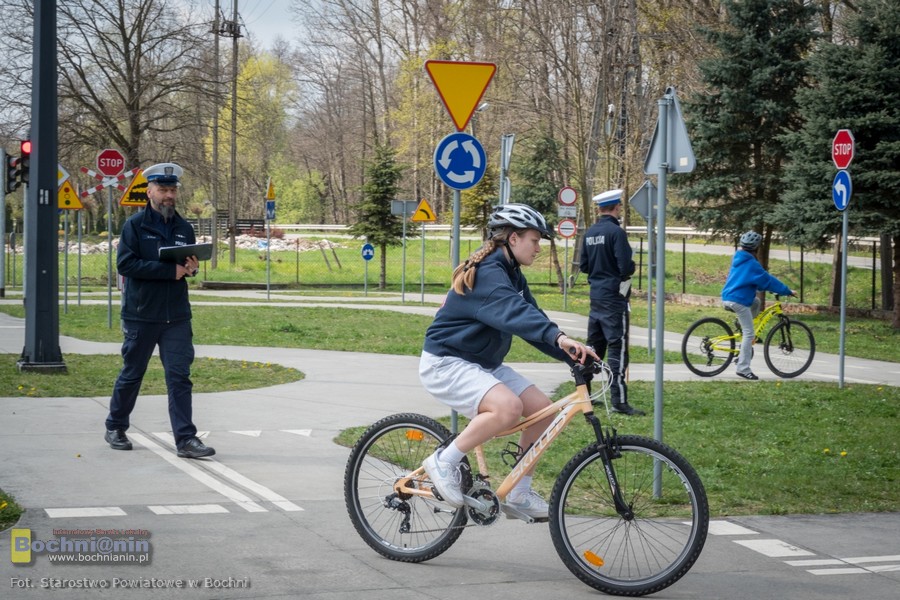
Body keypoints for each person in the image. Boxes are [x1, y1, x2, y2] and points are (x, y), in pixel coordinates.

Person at [419, 203, 597, 519]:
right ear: (513, 238)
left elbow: (531, 320)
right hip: (446, 362)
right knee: (508, 408)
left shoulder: (511, 274)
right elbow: (515, 314)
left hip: (481, 363)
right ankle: (444, 461)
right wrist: (559, 338)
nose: (538, 248)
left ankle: (519, 492)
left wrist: (569, 354)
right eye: (534, 240)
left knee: (544, 412)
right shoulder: (489, 273)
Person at [104, 162, 215, 459]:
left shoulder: (183, 227)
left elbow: (186, 264)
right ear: (149, 192)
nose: (169, 195)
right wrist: (169, 271)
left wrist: (191, 268)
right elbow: (125, 265)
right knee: (132, 373)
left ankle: (186, 439)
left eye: (172, 190)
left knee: (179, 377)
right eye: (163, 190)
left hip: (176, 316)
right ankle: (115, 426)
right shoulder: (135, 226)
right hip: (141, 314)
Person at [579, 188, 644, 416]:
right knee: (617, 348)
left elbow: (584, 265)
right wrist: (631, 266)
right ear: (617, 207)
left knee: (592, 348)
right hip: (614, 298)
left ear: (600, 209)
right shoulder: (617, 233)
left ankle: (585, 395)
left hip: (595, 297)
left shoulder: (590, 233)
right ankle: (619, 400)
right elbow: (625, 266)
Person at [722, 230, 796, 381]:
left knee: (756, 302)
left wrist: (763, 287)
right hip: (738, 301)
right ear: (756, 248)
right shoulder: (752, 264)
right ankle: (743, 369)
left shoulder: (738, 258)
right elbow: (767, 280)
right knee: (749, 334)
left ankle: (741, 325)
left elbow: (753, 281)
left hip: (728, 297)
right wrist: (786, 290)